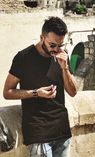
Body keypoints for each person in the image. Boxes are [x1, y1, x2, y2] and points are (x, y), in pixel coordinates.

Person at [3, 16, 77, 157]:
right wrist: (36, 93)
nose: (56, 49)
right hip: (38, 132)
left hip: (61, 130)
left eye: (60, 45)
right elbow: (7, 92)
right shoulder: (23, 58)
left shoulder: (62, 56)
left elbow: (73, 92)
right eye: (52, 45)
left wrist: (65, 69)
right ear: (42, 37)